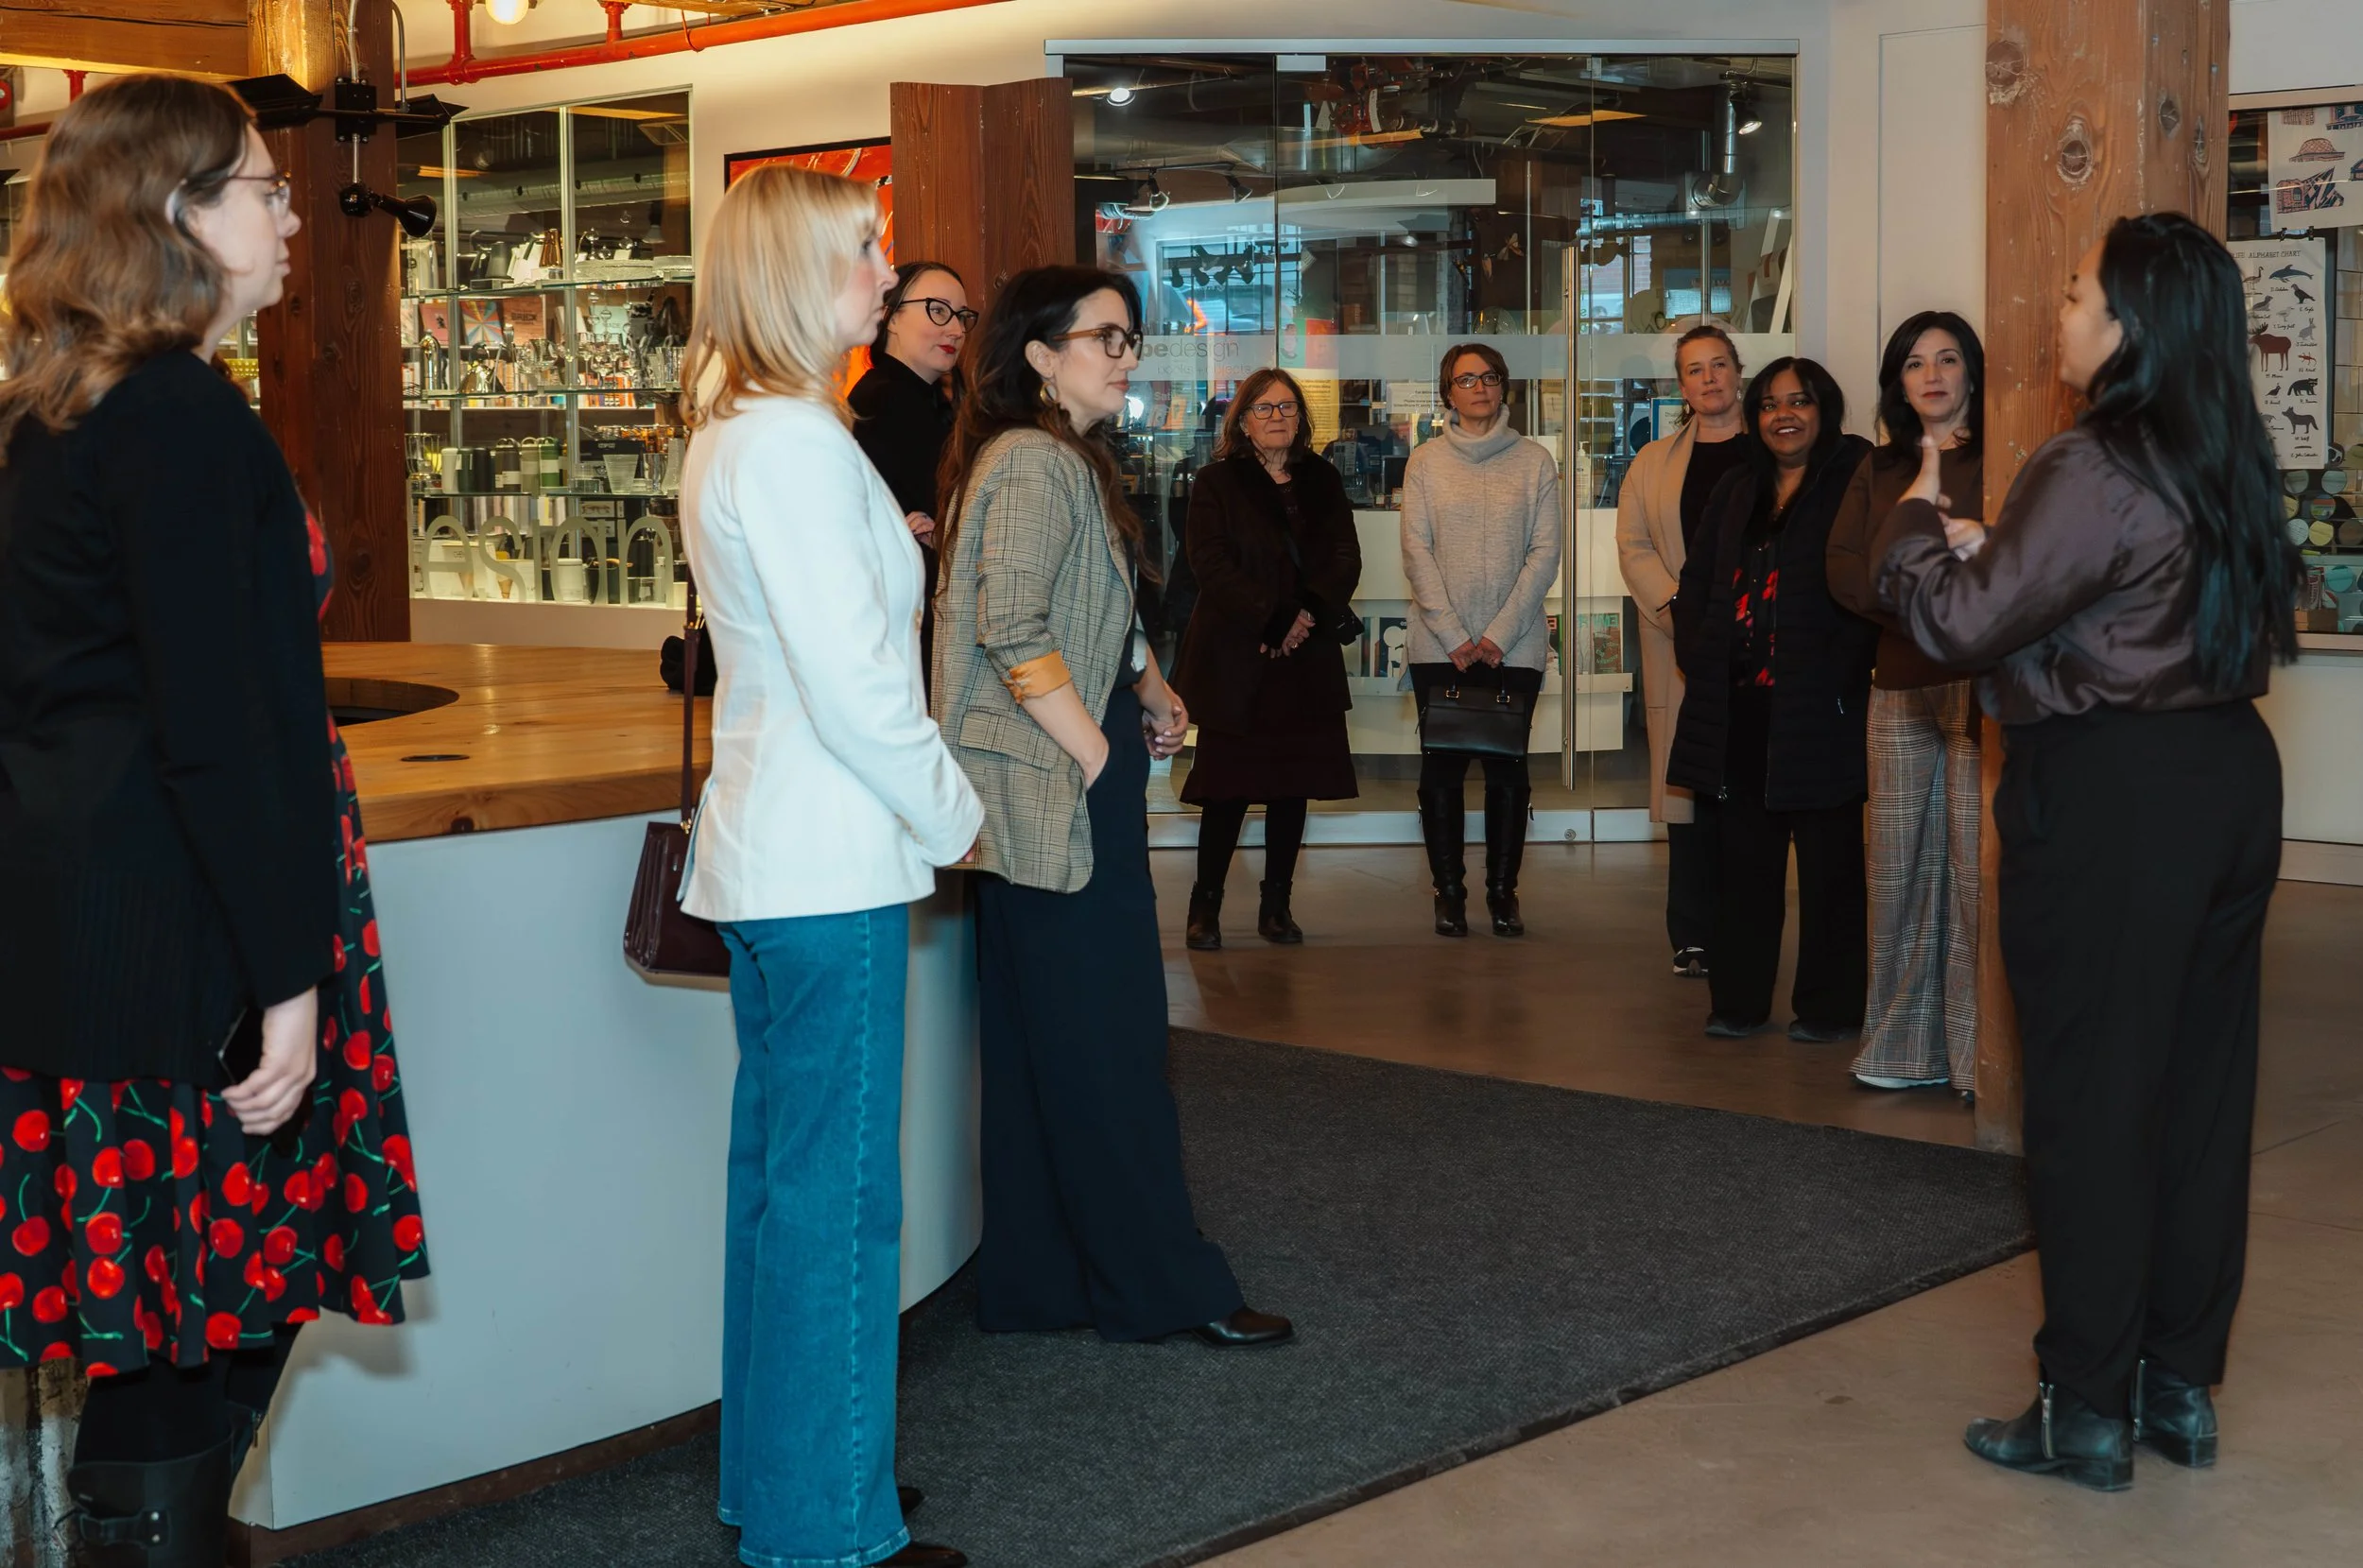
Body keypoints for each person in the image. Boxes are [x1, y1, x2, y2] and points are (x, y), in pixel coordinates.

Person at [0, 75, 427, 1565]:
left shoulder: (53, 402)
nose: (293, 209)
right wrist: (288, 976)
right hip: (191, 931)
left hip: (89, 920)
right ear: (177, 214)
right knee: (197, 1324)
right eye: (261, 186)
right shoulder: (176, 411)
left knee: (164, 1323)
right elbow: (217, 732)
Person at [1876, 213, 2297, 1491]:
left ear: (2128, 324)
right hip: (2226, 777)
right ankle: (2177, 1380)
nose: (2059, 311)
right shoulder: (2230, 451)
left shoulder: (2093, 458)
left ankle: (2085, 1405)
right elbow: (2124, 596)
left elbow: (1955, 624)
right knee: (2199, 1094)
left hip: (2115, 795)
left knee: (2094, 1103)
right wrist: (1998, 560)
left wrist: (1912, 525)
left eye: (2075, 292)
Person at [677, 164, 981, 1568]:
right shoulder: (791, 443)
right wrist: (955, 814)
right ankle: (827, 1530)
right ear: (803, 275)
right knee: (837, 1208)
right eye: (866, 250)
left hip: (777, 861)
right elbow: (860, 682)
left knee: (782, 1198)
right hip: (825, 864)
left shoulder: (747, 425)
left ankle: (787, 1486)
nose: (887, 269)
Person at [933, 266, 1289, 1349]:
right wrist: (1094, 751)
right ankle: (1161, 1289)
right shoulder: (1038, 462)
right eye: (1106, 339)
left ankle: (1044, 1285)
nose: (1127, 356)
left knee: (1046, 1049)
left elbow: (1087, 607)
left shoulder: (1053, 458)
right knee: (1112, 1051)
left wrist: (1146, 681)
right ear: (1039, 356)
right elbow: (1010, 623)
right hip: (1057, 786)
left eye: (1131, 340)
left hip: (1036, 790)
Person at [1667, 358, 1874, 1041]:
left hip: (1823, 709)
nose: (1784, 415)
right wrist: (1702, 655)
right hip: (1742, 709)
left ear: (1826, 409)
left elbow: (1872, 581)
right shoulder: (1737, 485)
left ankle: (1829, 1007)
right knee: (1744, 868)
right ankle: (1739, 1001)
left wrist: (1845, 667)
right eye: (1770, 404)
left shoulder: (1857, 474)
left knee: (1829, 873)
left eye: (1800, 401)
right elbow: (1697, 582)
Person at [1825, 313, 1987, 1094]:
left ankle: (1972, 1057)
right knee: (1892, 870)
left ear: (1971, 373)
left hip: (1982, 684)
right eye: (1916, 362)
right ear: (1897, 380)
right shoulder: (1879, 467)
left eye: (1949, 359)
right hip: (1897, 677)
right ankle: (1897, 1048)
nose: (1933, 374)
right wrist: (1921, 601)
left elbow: (2014, 562)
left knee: (1972, 873)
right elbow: (1849, 569)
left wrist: (1928, 589)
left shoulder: (2007, 451)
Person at [1173, 367, 1362, 949]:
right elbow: (1210, 564)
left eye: (1287, 408)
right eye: (1264, 408)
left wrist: (1303, 615)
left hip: (1303, 658)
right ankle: (1205, 907)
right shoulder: (1215, 482)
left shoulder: (1322, 477)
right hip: (1239, 653)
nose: (1277, 418)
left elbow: (1343, 556)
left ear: (1301, 418)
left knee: (1290, 788)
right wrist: (1273, 619)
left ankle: (1276, 905)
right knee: (1226, 789)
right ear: (1243, 421)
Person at [1400, 342, 1562, 938]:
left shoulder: (1535, 461)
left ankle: (1502, 893)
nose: (1479, 387)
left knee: (1507, 772)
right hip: (1438, 645)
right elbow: (1416, 553)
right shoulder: (1425, 462)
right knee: (1440, 770)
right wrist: (1453, 635)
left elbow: (1546, 553)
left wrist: (1494, 636)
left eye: (1489, 376)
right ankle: (1448, 894)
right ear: (1448, 392)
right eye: (1465, 379)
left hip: (1514, 646)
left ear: (1504, 386)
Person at [1617, 322, 1751, 977]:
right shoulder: (1652, 463)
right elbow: (1634, 546)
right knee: (1688, 789)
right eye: (1695, 370)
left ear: (1738, 372)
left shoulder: (1771, 453)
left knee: (1746, 791)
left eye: (1719, 365)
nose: (1709, 378)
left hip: (1758, 641)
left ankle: (1743, 925)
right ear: (1682, 387)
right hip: (1683, 641)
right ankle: (1692, 931)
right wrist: (1677, 609)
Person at [850, 260, 973, 677]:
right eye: (938, 310)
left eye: (961, 316)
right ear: (891, 316)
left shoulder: (928, 401)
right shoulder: (886, 400)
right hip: (902, 620)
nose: (955, 329)